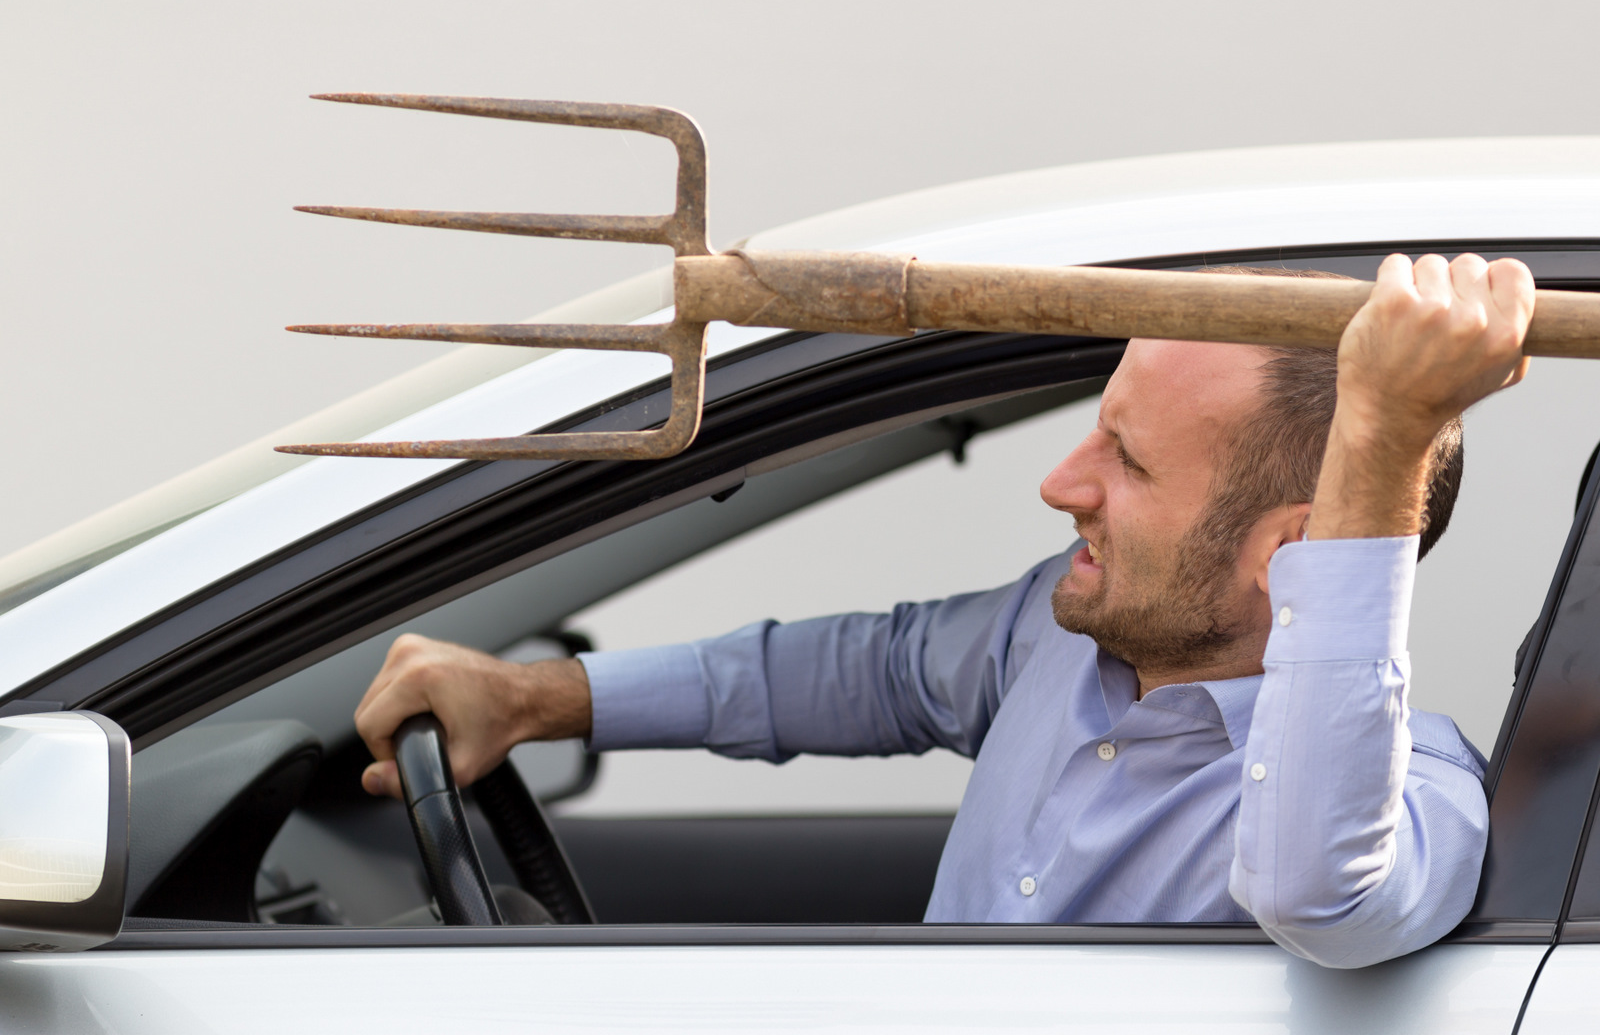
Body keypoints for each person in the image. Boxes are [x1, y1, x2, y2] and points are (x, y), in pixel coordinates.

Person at [353, 251, 1533, 968]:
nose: (1061, 483)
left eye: (1125, 459)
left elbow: (1318, 896)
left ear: (1290, 556)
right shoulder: (1057, 638)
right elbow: (865, 672)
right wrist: (531, 698)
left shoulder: (1414, 806)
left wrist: (1381, 440)